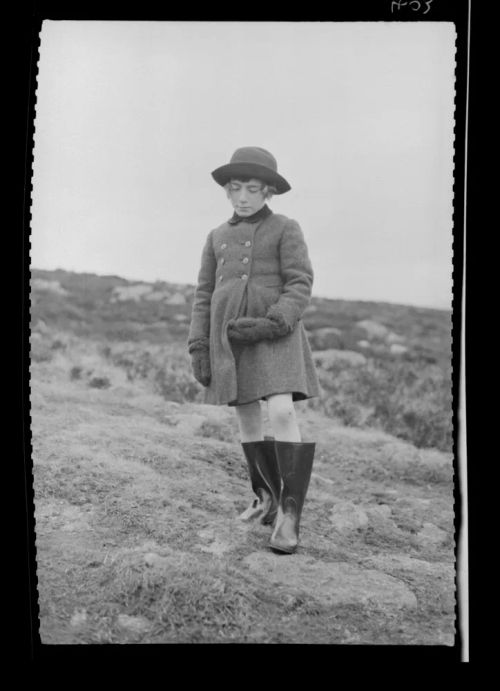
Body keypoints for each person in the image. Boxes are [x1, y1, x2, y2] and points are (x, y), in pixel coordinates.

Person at [187, 146, 321, 554]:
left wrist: (275, 320)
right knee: (246, 414)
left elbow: (300, 282)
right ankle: (265, 497)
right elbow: (204, 293)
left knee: (280, 410)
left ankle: (290, 514)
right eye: (235, 189)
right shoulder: (216, 237)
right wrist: (199, 346)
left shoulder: (285, 227)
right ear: (227, 192)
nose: (243, 197)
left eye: (252, 189)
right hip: (229, 335)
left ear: (268, 191)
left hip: (276, 333)